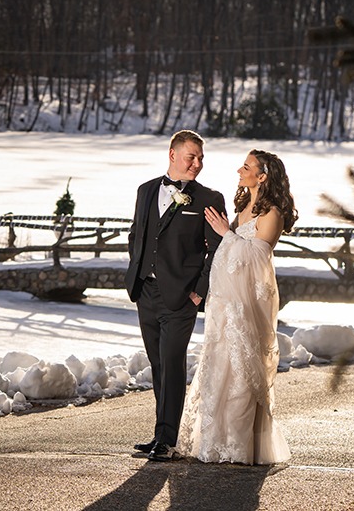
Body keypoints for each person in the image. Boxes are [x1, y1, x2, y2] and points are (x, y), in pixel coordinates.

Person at [176, 149, 297, 465]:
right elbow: (229, 249)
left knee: (242, 369)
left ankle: (239, 447)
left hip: (248, 304)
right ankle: (216, 443)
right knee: (220, 367)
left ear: (262, 176)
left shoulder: (272, 214)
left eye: (246, 166)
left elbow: (258, 257)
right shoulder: (243, 207)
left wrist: (225, 235)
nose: (239, 170)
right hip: (226, 301)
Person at [124, 130, 226, 462]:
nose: (197, 163)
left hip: (182, 298)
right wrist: (137, 274)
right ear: (172, 154)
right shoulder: (146, 190)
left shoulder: (209, 198)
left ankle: (167, 440)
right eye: (191, 157)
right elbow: (136, 235)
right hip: (146, 292)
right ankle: (160, 435)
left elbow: (218, 251)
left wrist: (198, 292)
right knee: (158, 364)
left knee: (172, 363)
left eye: (200, 158)